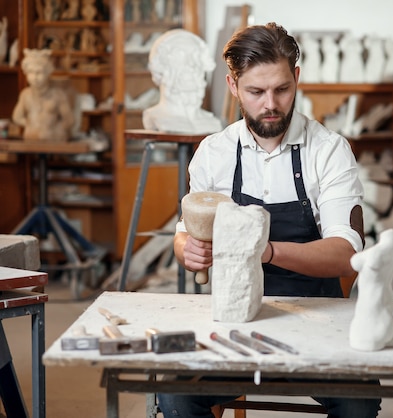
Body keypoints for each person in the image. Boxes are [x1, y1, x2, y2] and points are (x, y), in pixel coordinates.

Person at [158, 22, 380, 418]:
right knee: (175, 397)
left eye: (281, 89)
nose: (270, 104)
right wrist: (187, 250)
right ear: (233, 86)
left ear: (296, 78)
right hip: (232, 323)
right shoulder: (214, 153)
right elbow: (183, 234)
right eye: (255, 92)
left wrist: (266, 250)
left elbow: (347, 255)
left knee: (358, 403)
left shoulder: (328, 151)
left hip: (320, 321)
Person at [142, 29, 223, 134]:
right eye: (179, 56)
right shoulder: (157, 118)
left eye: (196, 56)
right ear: (161, 66)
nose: (191, 64)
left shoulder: (212, 122)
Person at [12, 48, 75, 142]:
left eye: (39, 72)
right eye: (31, 73)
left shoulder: (58, 95)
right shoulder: (25, 95)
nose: (35, 77)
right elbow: (16, 117)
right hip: (31, 139)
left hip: (53, 139)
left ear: (47, 73)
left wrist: (57, 129)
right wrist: (29, 125)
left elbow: (69, 120)